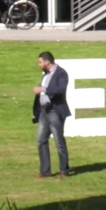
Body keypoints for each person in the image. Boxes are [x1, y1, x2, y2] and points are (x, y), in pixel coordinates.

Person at [32, 51, 70, 179]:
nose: (39, 65)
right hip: (44, 111)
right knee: (41, 140)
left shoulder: (61, 73)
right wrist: (36, 112)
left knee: (59, 141)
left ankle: (64, 170)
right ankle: (45, 170)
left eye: (40, 62)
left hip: (55, 111)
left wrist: (43, 89)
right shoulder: (46, 74)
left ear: (47, 62)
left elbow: (61, 89)